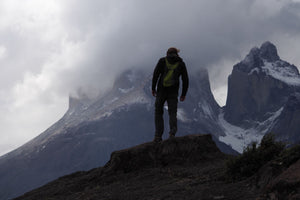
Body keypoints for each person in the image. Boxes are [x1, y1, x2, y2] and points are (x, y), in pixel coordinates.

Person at [152, 47, 189, 142]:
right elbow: (185, 79)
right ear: (177, 54)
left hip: (161, 91)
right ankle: (172, 133)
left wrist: (153, 88)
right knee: (172, 113)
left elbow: (156, 74)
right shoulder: (181, 63)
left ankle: (158, 136)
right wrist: (183, 94)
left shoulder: (162, 61)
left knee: (158, 112)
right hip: (173, 92)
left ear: (167, 53)